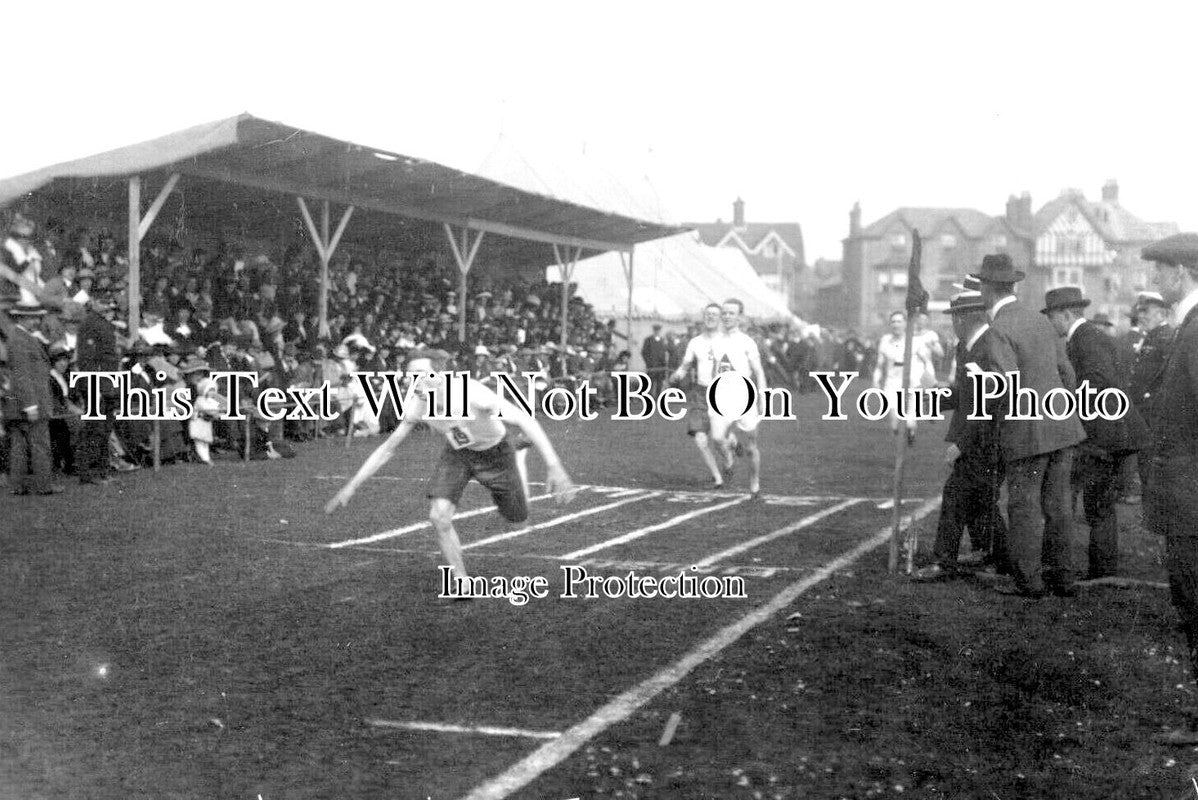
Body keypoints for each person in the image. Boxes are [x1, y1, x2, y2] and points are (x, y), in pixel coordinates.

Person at [325, 348, 576, 583]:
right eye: (411, 377)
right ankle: (460, 579)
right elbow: (387, 448)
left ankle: (518, 456)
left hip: (497, 453)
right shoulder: (418, 404)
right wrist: (352, 486)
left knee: (518, 520)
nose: (416, 383)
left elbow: (526, 420)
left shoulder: (473, 393)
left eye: (422, 376)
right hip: (458, 454)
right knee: (439, 516)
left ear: (442, 375)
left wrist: (555, 467)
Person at [978, 254, 1086, 598]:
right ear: (1012, 285)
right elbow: (1067, 372)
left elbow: (1005, 389)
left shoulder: (999, 329)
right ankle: (1063, 578)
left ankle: (1029, 580)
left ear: (987, 290)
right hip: (1062, 426)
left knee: (1024, 505)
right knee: (1059, 505)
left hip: (1028, 432)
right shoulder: (1041, 322)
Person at [1042, 286, 1147, 580]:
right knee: (1099, 505)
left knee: (1095, 505)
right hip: (1115, 430)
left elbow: (1096, 384)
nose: (1051, 324)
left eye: (1051, 317)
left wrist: (1075, 418)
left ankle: (1098, 571)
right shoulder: (1090, 336)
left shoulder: (1085, 339)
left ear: (1064, 314)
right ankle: (1102, 569)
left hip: (1103, 435)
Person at [1138, 233, 1198, 743]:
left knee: (1195, 599)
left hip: (1192, 495)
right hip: (1186, 493)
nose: (1153, 280)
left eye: (1159, 270)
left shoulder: (1197, 330)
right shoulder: (1188, 327)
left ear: (1181, 272)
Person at [912, 292, 1007, 581]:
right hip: (983, 438)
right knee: (981, 500)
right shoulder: (975, 345)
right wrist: (933, 396)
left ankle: (944, 561)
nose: (952, 324)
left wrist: (961, 444)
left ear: (962, 318)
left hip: (984, 439)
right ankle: (1001, 558)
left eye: (953, 318)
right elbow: (966, 395)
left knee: (956, 495)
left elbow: (987, 403)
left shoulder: (986, 348)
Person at [669, 303, 733, 488]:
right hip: (701, 393)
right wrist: (678, 374)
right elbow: (686, 365)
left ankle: (729, 457)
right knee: (700, 438)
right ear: (703, 316)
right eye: (708, 314)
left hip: (723, 393)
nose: (711, 317)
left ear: (720, 318)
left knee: (719, 439)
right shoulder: (695, 342)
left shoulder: (729, 340)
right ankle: (718, 478)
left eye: (715, 314)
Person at [710, 298, 768, 498]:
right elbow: (715, 369)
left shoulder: (747, 342)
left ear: (740, 317)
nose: (726, 316)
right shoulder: (715, 340)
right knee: (717, 437)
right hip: (721, 397)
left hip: (745, 397)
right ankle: (731, 451)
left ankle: (754, 482)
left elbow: (759, 372)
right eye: (724, 313)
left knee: (751, 447)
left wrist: (763, 397)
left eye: (731, 313)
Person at [2, 302, 62, 495]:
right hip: (29, 401)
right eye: (33, 318)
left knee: (19, 447)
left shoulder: (21, 337)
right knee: (39, 444)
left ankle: (17, 486)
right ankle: (44, 485)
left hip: (17, 403)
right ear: (21, 318)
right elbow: (22, 375)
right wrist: (30, 405)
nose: (37, 321)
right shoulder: (20, 340)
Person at [1129, 290, 1174, 493]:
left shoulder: (1165, 337)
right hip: (1145, 414)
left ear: (1162, 314)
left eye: (1147, 311)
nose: (1141, 316)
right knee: (1146, 470)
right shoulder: (1152, 336)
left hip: (1153, 414)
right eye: (1140, 311)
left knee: (1151, 473)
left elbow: (1168, 379)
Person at [872, 309, 935, 445]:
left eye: (899, 321)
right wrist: (876, 381)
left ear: (905, 323)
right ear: (890, 324)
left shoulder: (915, 341)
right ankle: (901, 434)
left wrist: (928, 381)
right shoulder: (885, 341)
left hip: (912, 382)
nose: (896, 324)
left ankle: (910, 432)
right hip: (892, 382)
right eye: (893, 321)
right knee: (894, 421)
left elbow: (926, 361)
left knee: (910, 420)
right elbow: (879, 364)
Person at [641, 323, 670, 387]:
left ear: (660, 331)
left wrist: (664, 365)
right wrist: (648, 363)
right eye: (655, 330)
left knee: (659, 385)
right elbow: (644, 353)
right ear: (653, 330)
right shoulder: (648, 340)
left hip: (660, 368)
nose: (657, 331)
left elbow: (664, 353)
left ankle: (658, 397)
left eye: (658, 330)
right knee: (650, 385)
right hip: (651, 367)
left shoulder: (663, 340)